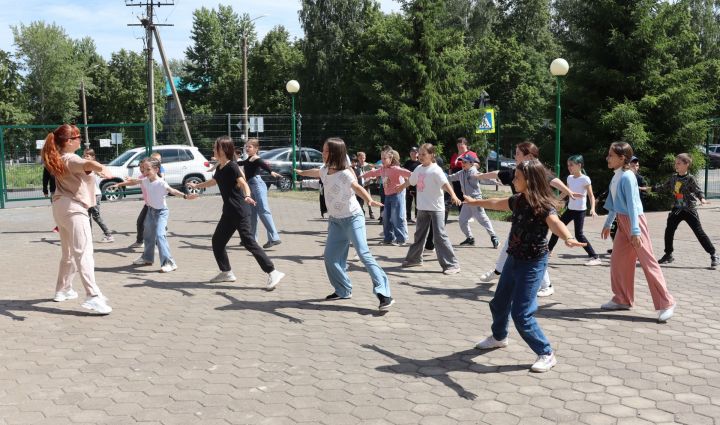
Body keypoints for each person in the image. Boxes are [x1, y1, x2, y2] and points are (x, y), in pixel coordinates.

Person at [467, 159, 587, 373]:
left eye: (517, 178)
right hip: (514, 259)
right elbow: (497, 203)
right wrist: (474, 202)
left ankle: (546, 353)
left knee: (521, 313)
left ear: (530, 181)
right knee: (498, 303)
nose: (513, 180)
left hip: (532, 264)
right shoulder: (518, 200)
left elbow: (555, 222)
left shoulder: (543, 206)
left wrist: (568, 237)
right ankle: (499, 337)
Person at [296, 138, 393, 309]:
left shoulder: (345, 173)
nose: (323, 153)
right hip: (335, 221)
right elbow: (315, 172)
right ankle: (343, 289)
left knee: (364, 254)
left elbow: (357, 187)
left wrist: (369, 200)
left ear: (335, 153)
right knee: (330, 258)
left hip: (353, 218)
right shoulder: (325, 170)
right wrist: (302, 173)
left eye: (326, 151)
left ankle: (384, 294)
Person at [476, 141, 579, 297]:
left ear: (529, 156)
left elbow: (553, 180)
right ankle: (498, 271)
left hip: (535, 220)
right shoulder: (515, 172)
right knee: (512, 246)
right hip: (520, 217)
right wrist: (479, 176)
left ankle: (545, 284)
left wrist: (568, 191)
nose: (515, 156)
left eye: (517, 153)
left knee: (534, 252)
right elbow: (497, 173)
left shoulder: (536, 172)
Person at [187, 136, 285, 290]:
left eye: (215, 147)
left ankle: (273, 271)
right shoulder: (220, 167)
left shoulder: (232, 166)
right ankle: (226, 272)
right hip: (228, 212)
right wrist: (197, 185)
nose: (213, 149)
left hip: (239, 210)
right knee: (217, 242)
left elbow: (244, 183)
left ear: (223, 150)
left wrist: (247, 196)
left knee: (248, 242)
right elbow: (214, 181)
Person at [40, 124, 113, 314]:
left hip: (60, 208)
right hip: (73, 209)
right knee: (84, 253)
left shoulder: (58, 157)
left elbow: (85, 166)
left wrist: (96, 167)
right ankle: (93, 296)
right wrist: (101, 167)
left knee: (69, 254)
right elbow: (87, 164)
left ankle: (62, 290)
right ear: (69, 141)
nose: (81, 140)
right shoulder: (71, 158)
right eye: (78, 137)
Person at [600, 142, 676, 322]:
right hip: (623, 222)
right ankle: (622, 299)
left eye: (611, 155)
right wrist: (607, 223)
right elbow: (614, 203)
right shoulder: (616, 176)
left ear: (622, 158)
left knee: (648, 262)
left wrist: (635, 231)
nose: (607, 158)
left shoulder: (628, 177)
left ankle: (666, 302)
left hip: (635, 223)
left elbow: (634, 205)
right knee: (618, 262)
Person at [110, 158, 195, 272]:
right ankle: (147, 258)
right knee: (148, 236)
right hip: (150, 211)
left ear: (156, 169)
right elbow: (136, 181)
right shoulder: (146, 180)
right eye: (143, 169)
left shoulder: (161, 182)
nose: (145, 172)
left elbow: (172, 191)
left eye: (148, 169)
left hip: (161, 213)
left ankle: (169, 263)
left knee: (160, 236)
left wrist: (185, 196)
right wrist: (122, 183)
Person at [398, 143, 462, 274]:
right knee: (419, 235)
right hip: (422, 207)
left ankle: (452, 265)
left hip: (436, 208)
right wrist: (400, 187)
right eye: (419, 154)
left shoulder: (436, 170)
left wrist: (454, 195)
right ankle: (414, 259)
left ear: (432, 155)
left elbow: (445, 184)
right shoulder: (419, 169)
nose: (420, 156)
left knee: (440, 237)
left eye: (423, 154)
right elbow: (411, 181)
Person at [655, 153, 718, 269]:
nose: (676, 165)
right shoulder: (674, 177)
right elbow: (663, 187)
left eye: (678, 163)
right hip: (677, 209)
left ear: (686, 164)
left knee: (699, 232)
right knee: (669, 230)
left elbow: (698, 190)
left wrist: (702, 199)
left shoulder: (690, 178)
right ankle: (668, 254)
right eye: (675, 163)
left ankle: (713, 254)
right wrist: (648, 188)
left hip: (689, 210)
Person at [547, 155, 601, 265]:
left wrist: (593, 209)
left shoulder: (585, 179)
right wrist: (555, 201)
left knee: (579, 235)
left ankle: (595, 257)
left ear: (579, 165)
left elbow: (591, 195)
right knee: (557, 228)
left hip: (580, 211)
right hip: (570, 209)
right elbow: (565, 192)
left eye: (571, 165)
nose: (569, 167)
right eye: (568, 165)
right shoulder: (569, 178)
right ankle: (548, 251)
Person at [447, 154, 499, 248]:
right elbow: (450, 177)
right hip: (467, 201)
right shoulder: (461, 173)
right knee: (462, 220)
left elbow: (483, 177)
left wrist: (494, 181)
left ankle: (494, 237)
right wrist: (439, 177)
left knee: (483, 219)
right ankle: (470, 238)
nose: (463, 163)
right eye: (462, 162)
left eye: (465, 162)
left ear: (471, 163)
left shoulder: (474, 172)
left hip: (476, 200)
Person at [238, 138, 282, 249]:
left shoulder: (256, 158)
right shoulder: (249, 159)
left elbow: (262, 164)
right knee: (252, 213)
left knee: (264, 211)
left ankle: (274, 238)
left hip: (257, 185)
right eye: (246, 146)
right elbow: (241, 163)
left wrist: (271, 172)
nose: (247, 148)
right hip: (251, 185)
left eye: (250, 146)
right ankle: (251, 239)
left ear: (256, 149)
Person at [361, 149, 411, 245]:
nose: (382, 160)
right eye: (381, 158)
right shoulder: (382, 169)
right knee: (386, 218)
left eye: (384, 158)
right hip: (387, 196)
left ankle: (401, 239)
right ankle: (389, 238)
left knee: (397, 217)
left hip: (397, 195)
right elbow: (373, 173)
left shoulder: (396, 169)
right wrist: (362, 176)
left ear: (391, 158)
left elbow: (409, 174)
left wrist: (404, 185)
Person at [130, 152, 165, 249]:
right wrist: (120, 184)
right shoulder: (143, 177)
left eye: (145, 168)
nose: (142, 170)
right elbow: (134, 181)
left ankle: (158, 246)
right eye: (141, 168)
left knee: (155, 227)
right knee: (140, 222)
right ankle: (140, 241)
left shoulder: (154, 177)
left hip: (157, 206)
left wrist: (184, 196)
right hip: (148, 204)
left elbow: (161, 179)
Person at [82, 149, 114, 243]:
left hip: (95, 195)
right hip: (87, 195)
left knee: (96, 216)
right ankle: (88, 236)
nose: (85, 157)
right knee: (87, 216)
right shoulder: (84, 166)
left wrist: (101, 173)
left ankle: (109, 235)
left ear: (93, 157)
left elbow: (102, 173)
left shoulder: (93, 167)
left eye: (87, 156)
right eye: (84, 155)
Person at [448, 137, 479, 211]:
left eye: (461, 144)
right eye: (458, 144)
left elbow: (477, 164)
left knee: (465, 195)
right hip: (455, 178)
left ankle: (470, 213)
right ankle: (462, 213)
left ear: (466, 145)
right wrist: (450, 180)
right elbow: (450, 168)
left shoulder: (470, 154)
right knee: (458, 195)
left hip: (465, 177)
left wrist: (468, 169)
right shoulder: (455, 155)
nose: (459, 146)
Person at [403, 147, 421, 223]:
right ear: (410, 154)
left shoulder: (420, 163)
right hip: (409, 184)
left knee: (418, 202)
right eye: (412, 153)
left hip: (418, 185)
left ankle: (417, 217)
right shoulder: (407, 163)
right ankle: (408, 217)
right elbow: (403, 172)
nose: (414, 154)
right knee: (408, 202)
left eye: (415, 152)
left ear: (418, 154)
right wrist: (406, 182)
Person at [43, 163, 59, 233]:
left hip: (65, 190)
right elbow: (45, 178)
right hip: (54, 190)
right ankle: (58, 226)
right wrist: (45, 190)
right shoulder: (48, 166)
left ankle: (66, 225)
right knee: (56, 210)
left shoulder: (65, 161)